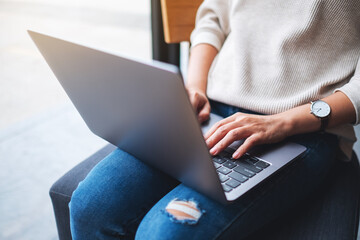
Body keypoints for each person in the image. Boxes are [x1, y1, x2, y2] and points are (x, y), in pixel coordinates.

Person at [69, 0, 360, 239]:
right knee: (89, 208)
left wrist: (281, 122)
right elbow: (212, 19)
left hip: (301, 128)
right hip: (210, 110)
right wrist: (196, 87)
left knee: (164, 234)